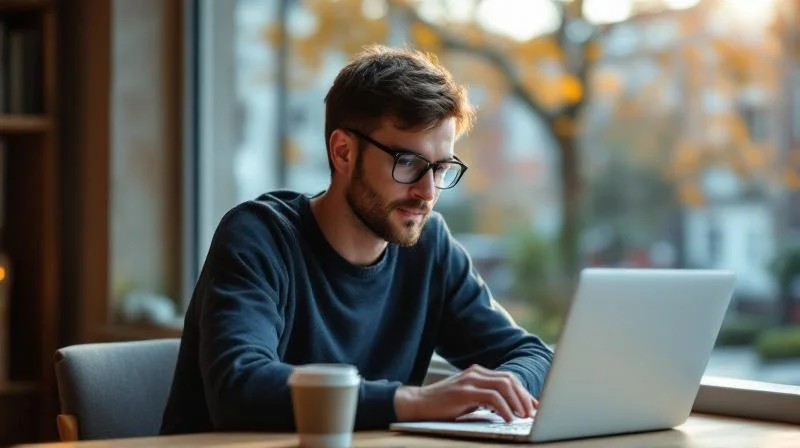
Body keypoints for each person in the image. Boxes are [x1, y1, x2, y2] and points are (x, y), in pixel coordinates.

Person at [160, 44, 554, 434]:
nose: (428, 192)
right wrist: (419, 402)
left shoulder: (430, 248)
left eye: (441, 168)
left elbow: (534, 356)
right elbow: (240, 388)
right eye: (408, 162)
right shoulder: (258, 237)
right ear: (343, 152)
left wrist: (503, 390)